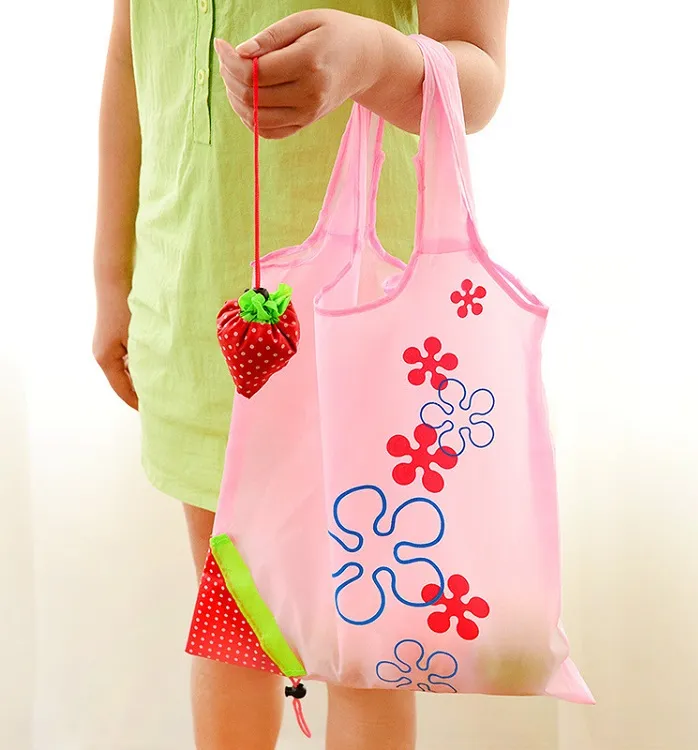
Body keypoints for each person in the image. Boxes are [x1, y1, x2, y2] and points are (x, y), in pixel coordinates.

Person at [92, 2, 508, 749]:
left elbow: (477, 76)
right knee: (233, 624)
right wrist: (110, 277)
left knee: (368, 650)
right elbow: (130, 58)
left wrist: (375, 58)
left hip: (367, 323)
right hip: (196, 310)